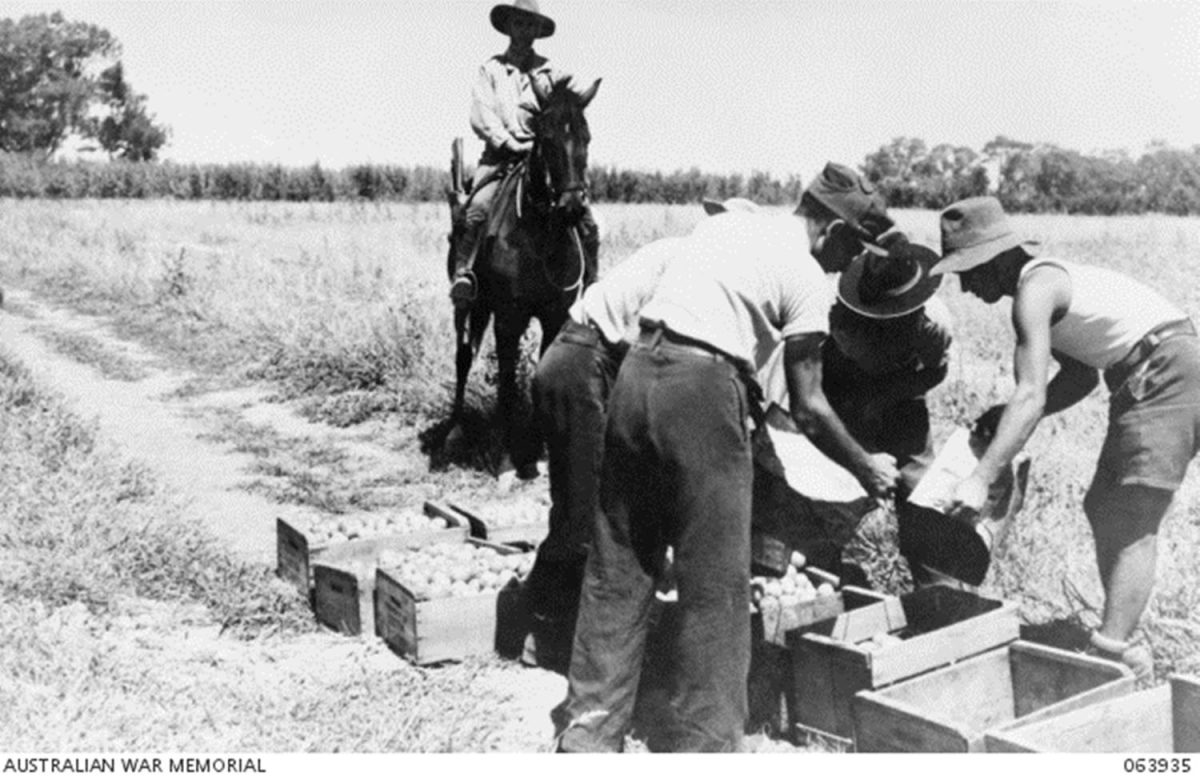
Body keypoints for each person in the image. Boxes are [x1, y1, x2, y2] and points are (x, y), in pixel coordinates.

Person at [552, 164, 900, 753]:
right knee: (715, 582)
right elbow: (809, 406)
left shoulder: (729, 230)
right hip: (702, 391)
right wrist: (867, 466)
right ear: (836, 232)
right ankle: (707, 746)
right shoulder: (809, 278)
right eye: (854, 250)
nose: (849, 265)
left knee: (620, 562)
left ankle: (587, 732)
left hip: (636, 376)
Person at [932, 195, 1200, 682]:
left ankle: (1114, 651)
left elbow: (1031, 394)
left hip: (1165, 371)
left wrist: (981, 476)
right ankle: (1124, 641)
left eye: (967, 271)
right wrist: (1003, 414)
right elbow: (1077, 380)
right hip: (1156, 369)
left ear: (993, 260)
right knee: (1105, 504)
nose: (967, 287)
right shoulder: (1044, 286)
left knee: (1133, 511)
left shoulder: (1035, 290)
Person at [523, 198, 759, 674]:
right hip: (586, 364)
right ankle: (548, 636)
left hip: (569, 359)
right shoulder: (688, 267)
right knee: (595, 516)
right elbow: (659, 359)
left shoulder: (681, 256)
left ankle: (537, 625)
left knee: (576, 507)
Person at [822, 239, 956, 586]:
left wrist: (887, 396)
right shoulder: (828, 318)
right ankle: (827, 582)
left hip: (902, 397)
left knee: (921, 492)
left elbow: (936, 370)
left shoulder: (933, 324)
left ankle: (940, 593)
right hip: (836, 394)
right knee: (826, 492)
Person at [450, 0, 599, 309]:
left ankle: (591, 282)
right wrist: (508, 143)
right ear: (509, 27)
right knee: (476, 208)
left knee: (586, 219)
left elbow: (566, 110)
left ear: (538, 31)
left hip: (543, 161)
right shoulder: (490, 69)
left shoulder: (553, 72)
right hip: (498, 158)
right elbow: (482, 115)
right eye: (519, 23)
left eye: (531, 25)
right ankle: (465, 274)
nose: (524, 30)